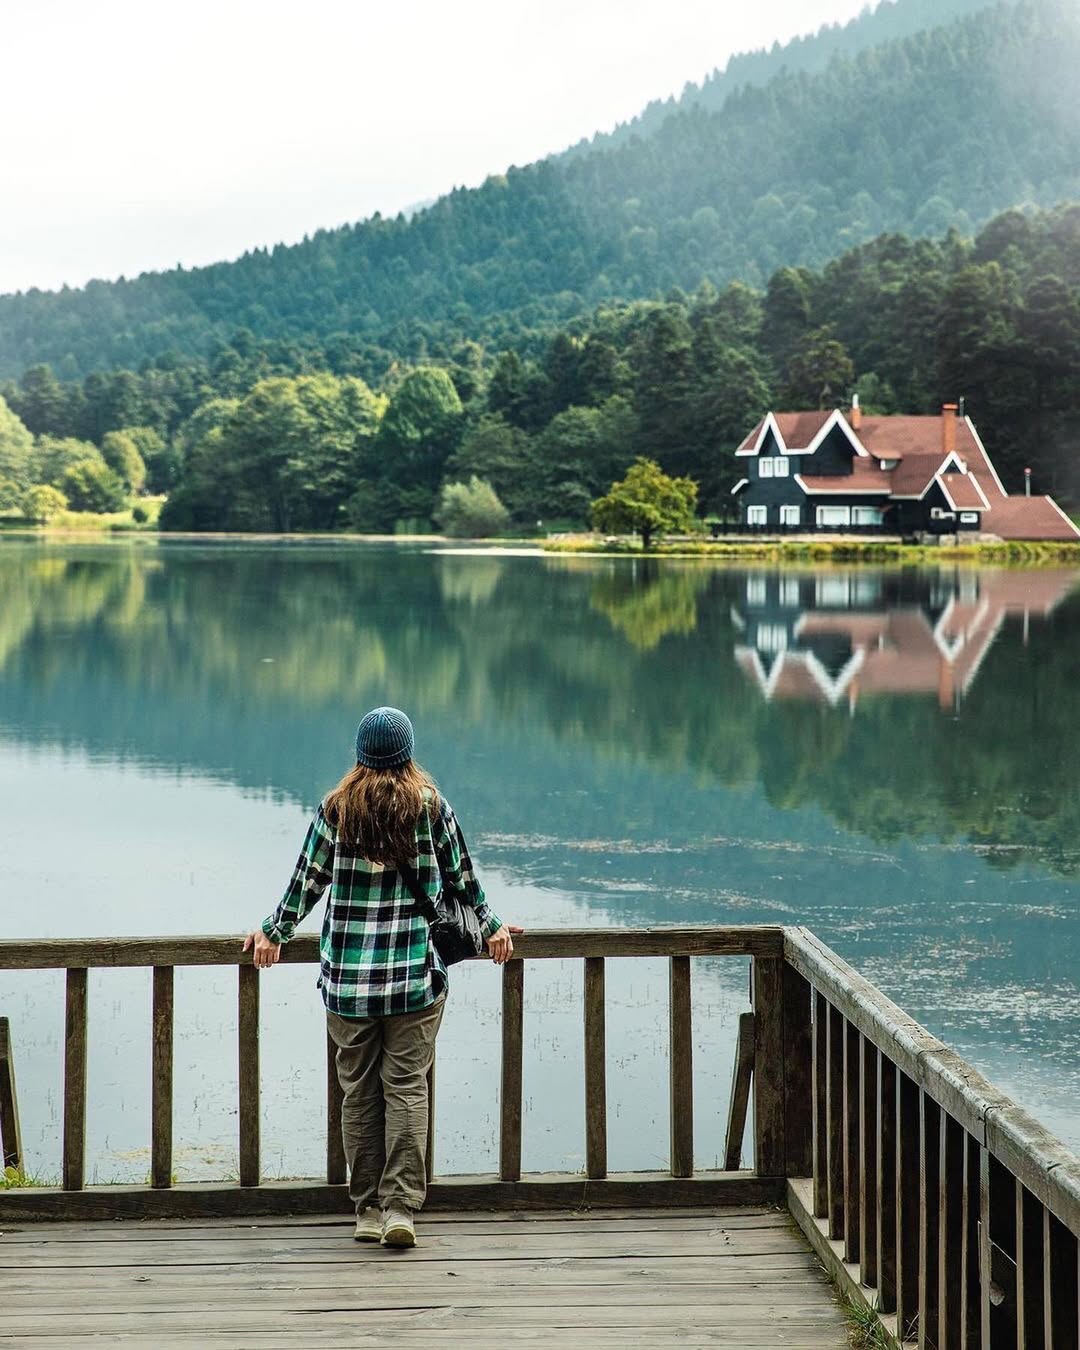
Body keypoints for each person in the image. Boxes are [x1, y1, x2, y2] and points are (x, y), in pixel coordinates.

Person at [244, 706, 517, 1249]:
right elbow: (464, 879)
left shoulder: (336, 808)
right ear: (408, 754)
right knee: (407, 1089)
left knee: (359, 1095)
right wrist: (492, 926)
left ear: (360, 755)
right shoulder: (429, 808)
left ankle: (366, 1208)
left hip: (348, 982)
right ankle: (400, 1209)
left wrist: (273, 931)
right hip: (414, 977)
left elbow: (307, 882)